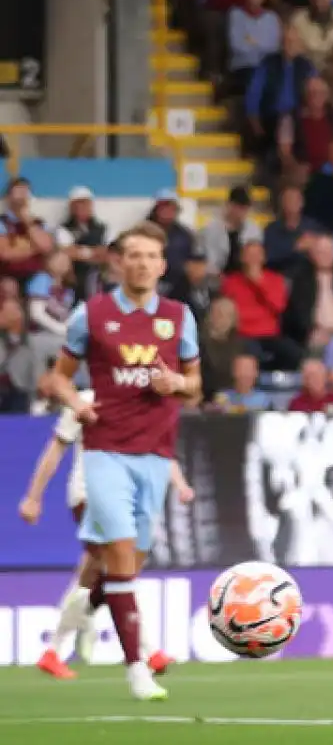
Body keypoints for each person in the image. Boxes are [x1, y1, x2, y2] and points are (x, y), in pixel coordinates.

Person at [37, 222, 201, 702]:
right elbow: (59, 378)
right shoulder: (92, 315)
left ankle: (65, 638)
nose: (143, 263)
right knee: (121, 556)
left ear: (163, 264)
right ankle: (138, 670)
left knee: (123, 567)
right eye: (133, 255)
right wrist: (77, 403)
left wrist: (177, 384)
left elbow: (196, 383)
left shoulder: (178, 316)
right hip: (105, 452)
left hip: (155, 455)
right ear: (119, 262)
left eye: (151, 255)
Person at [18, 389, 193, 678]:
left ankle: (56, 646)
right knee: (118, 570)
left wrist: (180, 484)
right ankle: (148, 652)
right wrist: (33, 496)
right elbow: (56, 448)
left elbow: (158, 451)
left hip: (125, 499)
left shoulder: (142, 401)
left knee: (92, 577)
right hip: (89, 494)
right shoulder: (83, 400)